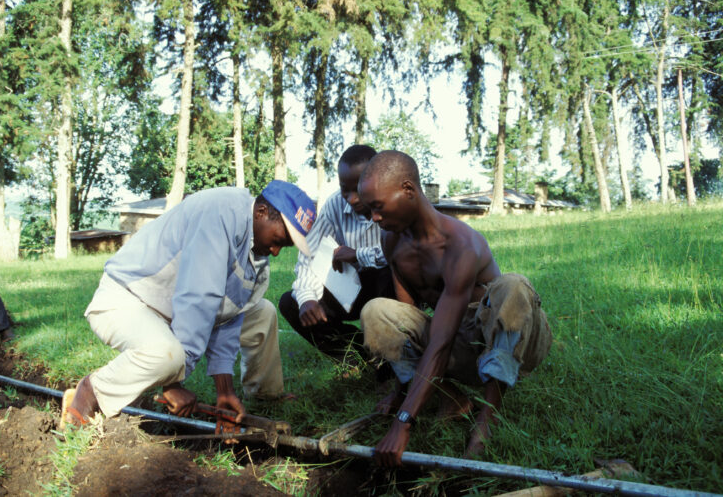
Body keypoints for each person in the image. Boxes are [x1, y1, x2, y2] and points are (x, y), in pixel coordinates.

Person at [61, 181, 316, 432]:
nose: (275, 252)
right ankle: (91, 391)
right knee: (166, 355)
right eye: (278, 240)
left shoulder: (254, 252)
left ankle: (265, 394)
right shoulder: (220, 212)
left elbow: (228, 315)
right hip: (129, 299)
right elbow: (197, 297)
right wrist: (173, 383)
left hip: (171, 313)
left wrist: (224, 391)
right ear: (261, 213)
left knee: (262, 313)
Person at [356, 151, 552, 464]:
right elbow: (411, 323)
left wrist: (403, 421)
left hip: (499, 339)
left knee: (513, 285)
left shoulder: (461, 243)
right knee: (376, 310)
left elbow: (442, 340)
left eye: (378, 207)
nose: (374, 218)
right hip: (453, 341)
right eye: (369, 210)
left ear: (408, 190)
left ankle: (487, 419)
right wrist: (400, 391)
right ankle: (450, 397)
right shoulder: (392, 241)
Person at [279, 145, 394, 373]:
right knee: (290, 303)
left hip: (386, 292)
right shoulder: (334, 205)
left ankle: (389, 362)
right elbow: (309, 255)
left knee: (388, 275)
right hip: (349, 289)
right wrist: (307, 299)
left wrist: (358, 254)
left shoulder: (394, 204)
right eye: (344, 190)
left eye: (358, 190)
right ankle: (357, 357)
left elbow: (402, 254)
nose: (351, 199)